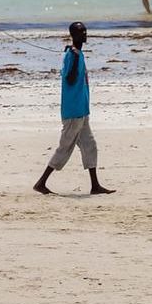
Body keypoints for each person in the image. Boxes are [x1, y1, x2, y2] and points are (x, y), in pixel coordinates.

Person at [34, 21, 115, 196]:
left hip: (82, 110)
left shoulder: (76, 53)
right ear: (73, 35)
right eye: (80, 32)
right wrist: (74, 56)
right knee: (65, 148)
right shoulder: (74, 55)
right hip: (73, 112)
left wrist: (74, 53)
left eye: (85, 31)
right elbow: (69, 79)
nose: (84, 34)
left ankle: (95, 186)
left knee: (90, 146)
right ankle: (41, 183)